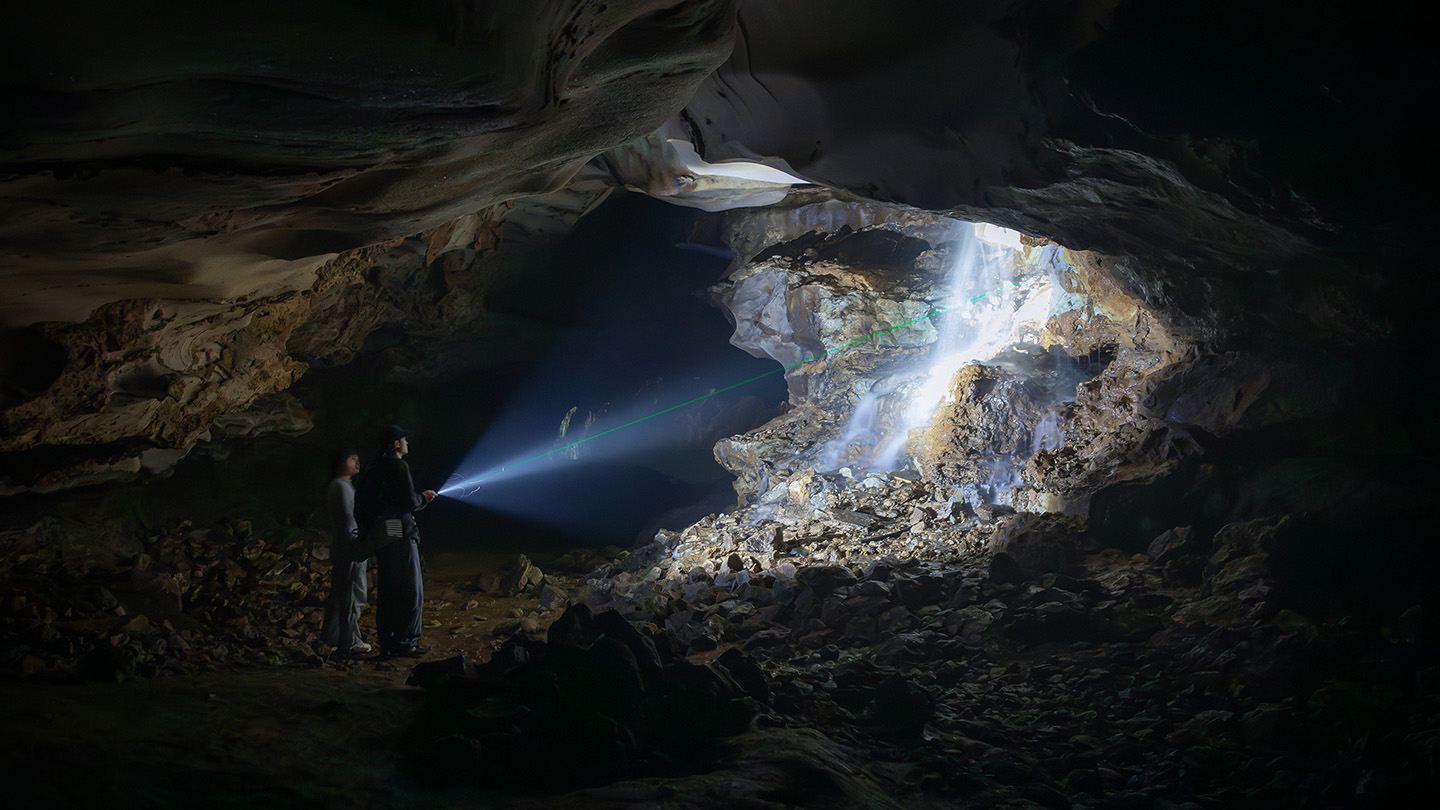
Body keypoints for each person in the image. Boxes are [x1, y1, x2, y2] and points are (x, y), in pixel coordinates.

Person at [356, 425, 436, 658]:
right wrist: (425, 498)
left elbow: (366, 505)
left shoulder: (374, 468)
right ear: (395, 444)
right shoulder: (398, 466)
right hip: (400, 529)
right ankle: (407, 641)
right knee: (412, 587)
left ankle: (388, 640)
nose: (407, 443)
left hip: (386, 531)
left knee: (389, 585)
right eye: (404, 439)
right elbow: (409, 502)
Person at [319, 449, 372, 656]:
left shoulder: (341, 485)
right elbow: (349, 517)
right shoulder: (340, 486)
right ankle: (349, 641)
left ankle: (332, 637)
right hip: (350, 545)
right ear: (341, 462)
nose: (357, 461)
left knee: (341, 593)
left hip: (344, 544)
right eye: (352, 458)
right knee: (353, 592)